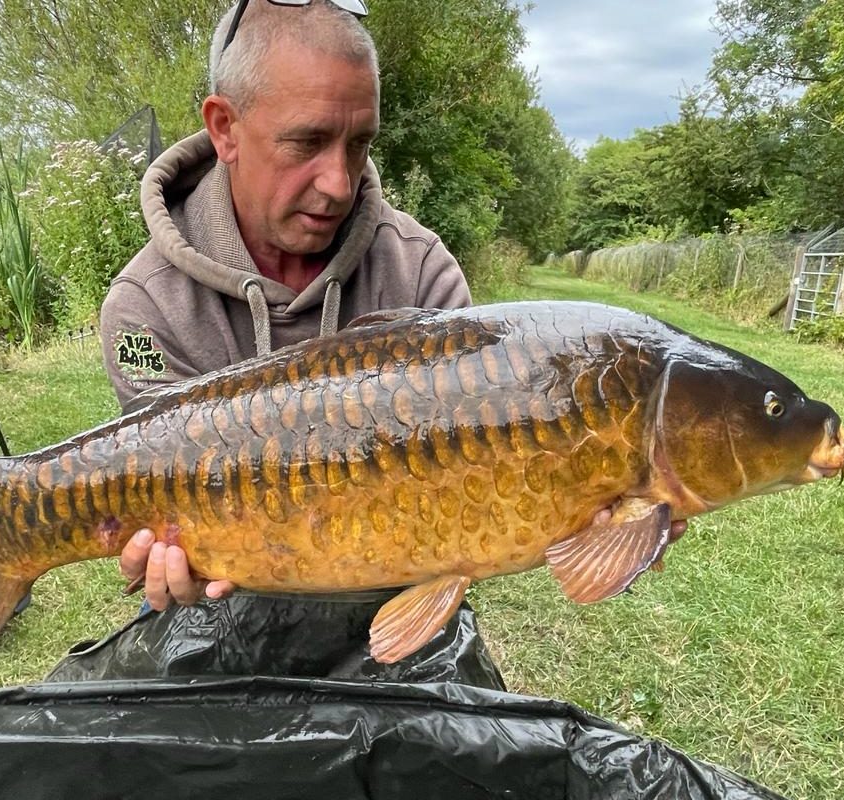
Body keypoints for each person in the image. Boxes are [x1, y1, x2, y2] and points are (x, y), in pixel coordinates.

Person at [46, 0, 605, 688]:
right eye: (306, 143)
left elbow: (488, 462)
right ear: (225, 128)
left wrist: (597, 509)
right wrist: (168, 553)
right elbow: (159, 485)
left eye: (359, 143)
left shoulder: (420, 270)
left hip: (391, 596)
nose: (339, 182)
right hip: (228, 603)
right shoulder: (146, 304)